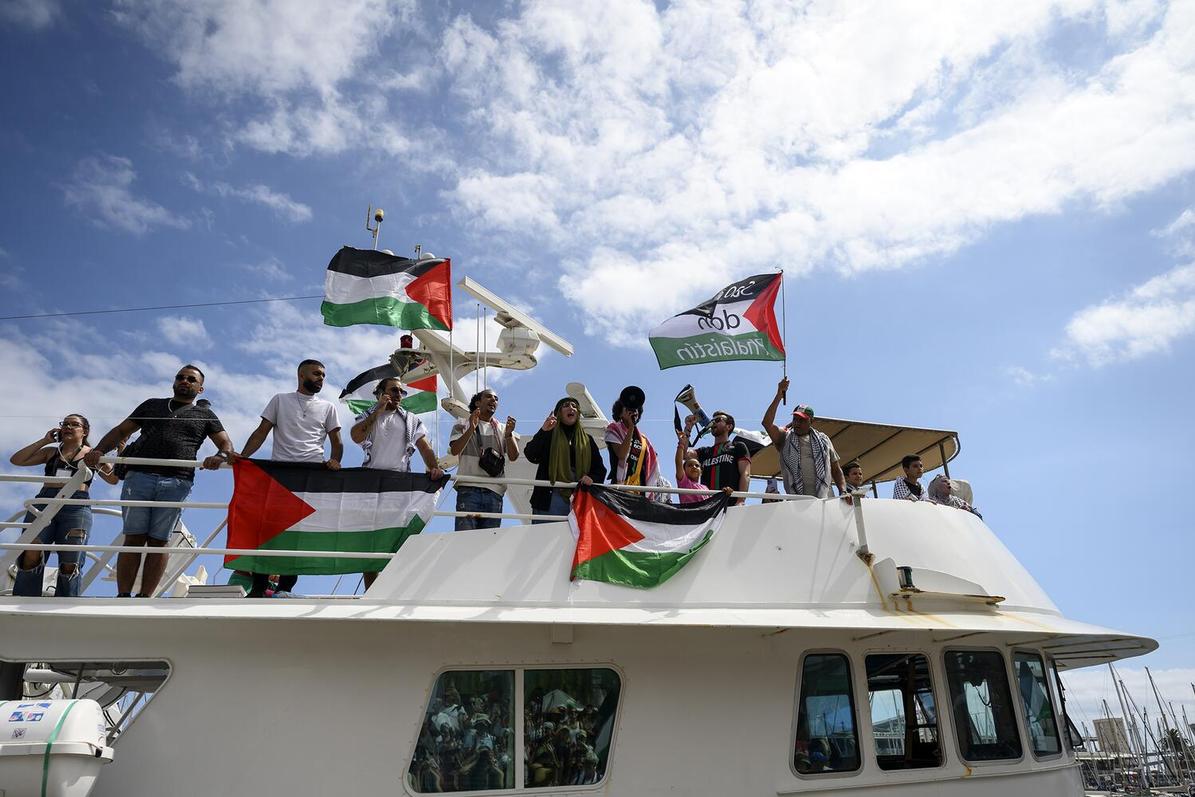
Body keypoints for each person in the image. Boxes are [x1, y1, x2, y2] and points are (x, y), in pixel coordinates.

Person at [85, 365, 236, 597]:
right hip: (139, 477)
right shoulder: (152, 405)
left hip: (177, 481)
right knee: (133, 537)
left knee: (159, 540)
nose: (185, 381)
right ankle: (123, 596)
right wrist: (99, 450)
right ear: (174, 382)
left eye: (191, 379)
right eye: (180, 377)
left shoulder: (205, 415)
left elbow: (226, 444)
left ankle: (145, 597)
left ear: (200, 389)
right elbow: (121, 431)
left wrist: (220, 456)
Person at [234, 359, 344, 598]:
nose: (321, 378)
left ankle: (285, 589)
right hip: (280, 475)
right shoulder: (280, 400)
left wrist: (335, 460)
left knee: (299, 533)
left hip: (311, 475)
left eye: (323, 375)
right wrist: (243, 456)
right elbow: (261, 433)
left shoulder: (328, 407)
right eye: (316, 373)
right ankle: (259, 587)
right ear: (301, 375)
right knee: (268, 531)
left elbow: (337, 442)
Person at [8, 414, 119, 597]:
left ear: (84, 431)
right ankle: (25, 599)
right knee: (31, 553)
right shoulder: (51, 452)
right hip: (45, 501)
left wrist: (116, 454)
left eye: (74, 424)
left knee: (70, 561)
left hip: (76, 505)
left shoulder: (93, 454)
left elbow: (113, 479)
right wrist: (44, 441)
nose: (68, 427)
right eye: (65, 424)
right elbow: (17, 460)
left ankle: (65, 601)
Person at [350, 376, 444, 588]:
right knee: (371, 541)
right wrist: (378, 410)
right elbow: (356, 436)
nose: (399, 395)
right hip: (371, 485)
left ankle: (390, 590)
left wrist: (434, 467)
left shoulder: (410, 419)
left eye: (401, 391)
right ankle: (371, 592)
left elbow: (424, 447)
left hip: (399, 485)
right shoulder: (368, 415)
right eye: (394, 390)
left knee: (395, 540)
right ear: (380, 393)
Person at [524, 397, 606, 522]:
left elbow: (599, 469)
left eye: (574, 406)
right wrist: (543, 431)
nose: (571, 408)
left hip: (579, 497)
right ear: (558, 413)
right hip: (550, 498)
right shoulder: (549, 435)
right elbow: (531, 455)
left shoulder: (587, 440)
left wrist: (592, 478)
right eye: (566, 405)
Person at [762, 377, 845, 498]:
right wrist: (779, 395)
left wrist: (843, 491)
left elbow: (836, 469)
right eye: (795, 419)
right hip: (797, 500)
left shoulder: (823, 439)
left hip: (825, 499)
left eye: (802, 420)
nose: (797, 423)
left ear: (811, 421)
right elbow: (767, 423)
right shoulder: (785, 437)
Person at [449, 389, 518, 531]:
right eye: (488, 397)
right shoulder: (462, 423)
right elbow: (455, 450)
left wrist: (509, 435)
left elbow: (514, 456)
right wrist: (471, 428)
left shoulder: (502, 428)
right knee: (465, 538)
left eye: (496, 398)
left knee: (488, 540)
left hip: (494, 492)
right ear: (477, 403)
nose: (493, 400)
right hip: (468, 489)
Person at [686, 410, 750, 505]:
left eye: (718, 420)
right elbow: (684, 454)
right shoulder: (704, 451)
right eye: (712, 421)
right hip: (706, 506)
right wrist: (688, 428)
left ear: (729, 426)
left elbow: (745, 474)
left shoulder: (738, 447)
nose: (713, 423)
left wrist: (741, 501)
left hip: (730, 505)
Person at [603, 392, 659, 494]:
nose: (633, 411)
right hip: (619, 489)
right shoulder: (613, 429)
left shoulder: (644, 440)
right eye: (628, 408)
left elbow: (651, 466)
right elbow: (622, 454)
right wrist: (631, 428)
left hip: (639, 492)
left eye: (636, 409)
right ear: (620, 413)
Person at [672, 428, 706, 504]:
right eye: (690, 465)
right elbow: (678, 463)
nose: (694, 467)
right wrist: (681, 444)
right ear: (683, 470)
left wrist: (725, 493)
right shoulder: (684, 482)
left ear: (701, 472)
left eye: (697, 466)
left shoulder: (705, 488)